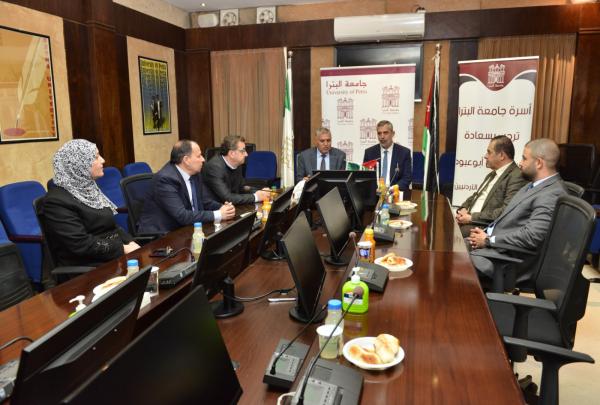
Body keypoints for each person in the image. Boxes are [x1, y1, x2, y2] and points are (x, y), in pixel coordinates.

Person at [467, 138, 567, 290]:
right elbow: (510, 219)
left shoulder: (551, 194)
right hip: (496, 249)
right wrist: (485, 233)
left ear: (539, 163)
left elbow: (531, 236)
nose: (520, 163)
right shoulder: (533, 185)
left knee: (453, 265)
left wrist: (488, 240)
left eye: (524, 158)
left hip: (506, 261)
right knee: (449, 251)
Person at [43, 139, 140, 267]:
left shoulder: (89, 189)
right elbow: (80, 244)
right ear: (79, 164)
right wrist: (123, 248)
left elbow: (111, 226)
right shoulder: (56, 201)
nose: (103, 160)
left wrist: (130, 242)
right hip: (88, 267)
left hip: (112, 257)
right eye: (96, 157)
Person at [137, 140, 235, 234]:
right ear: (186, 160)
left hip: (186, 228)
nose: (203, 159)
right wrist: (218, 214)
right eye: (199, 156)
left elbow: (204, 201)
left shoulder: (195, 174)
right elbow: (181, 215)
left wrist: (223, 208)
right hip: (163, 234)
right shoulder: (165, 180)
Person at [455, 135, 527, 237]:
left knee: (450, 233)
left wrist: (471, 217)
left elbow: (506, 211)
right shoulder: (492, 174)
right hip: (470, 220)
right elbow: (475, 196)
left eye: (489, 152)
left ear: (501, 155)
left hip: (484, 227)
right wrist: (463, 209)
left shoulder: (516, 176)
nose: (485, 156)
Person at [202, 135, 271, 205]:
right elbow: (227, 198)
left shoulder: (237, 163)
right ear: (232, 154)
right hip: (215, 208)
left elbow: (241, 188)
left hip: (230, 206)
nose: (246, 154)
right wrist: (256, 197)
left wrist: (259, 192)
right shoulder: (214, 167)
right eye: (243, 151)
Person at [363, 120, 412, 191]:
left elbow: (407, 178)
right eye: (379, 133)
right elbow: (365, 177)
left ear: (393, 134)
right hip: (374, 193)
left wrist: (391, 189)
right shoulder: (369, 153)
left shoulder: (404, 153)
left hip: (395, 193)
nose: (382, 136)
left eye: (385, 133)